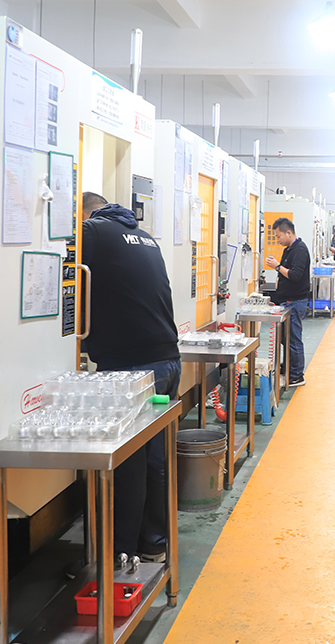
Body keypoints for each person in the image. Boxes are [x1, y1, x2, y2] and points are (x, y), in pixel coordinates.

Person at [71, 192, 181, 572]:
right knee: (155, 459)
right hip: (167, 362)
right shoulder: (144, 236)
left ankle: (118, 554)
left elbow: (61, 264)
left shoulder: (92, 232)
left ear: (85, 214)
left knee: (127, 464)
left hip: (133, 368)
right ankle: (154, 545)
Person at [265, 217, 311, 388]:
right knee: (286, 338)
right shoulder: (289, 250)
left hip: (295, 302)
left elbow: (295, 275)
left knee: (293, 339)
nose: (278, 240)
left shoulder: (300, 250)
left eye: (279, 236)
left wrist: (277, 266)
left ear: (289, 233)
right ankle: (289, 368)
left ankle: (297, 375)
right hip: (286, 301)